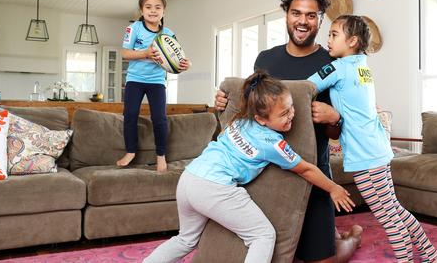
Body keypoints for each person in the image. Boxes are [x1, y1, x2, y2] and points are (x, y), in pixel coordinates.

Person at [215, 0, 362, 263]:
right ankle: (331, 235)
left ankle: (351, 239)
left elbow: (339, 129)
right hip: (268, 171)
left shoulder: (331, 61)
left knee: (323, 260)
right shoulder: (266, 59)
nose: (302, 21)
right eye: (296, 13)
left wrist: (335, 117)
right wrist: (223, 102)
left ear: (320, 20)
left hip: (314, 170)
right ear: (286, 15)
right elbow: (251, 110)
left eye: (311, 15)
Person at [144, 71, 355, 263]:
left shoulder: (239, 120)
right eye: (283, 114)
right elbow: (306, 169)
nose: (291, 115)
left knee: (185, 240)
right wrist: (333, 188)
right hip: (214, 186)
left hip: (189, 179)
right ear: (261, 119)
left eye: (291, 107)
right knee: (262, 235)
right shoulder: (272, 144)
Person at [307, 15, 437, 263]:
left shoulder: (338, 67)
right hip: (377, 148)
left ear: (352, 41)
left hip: (365, 155)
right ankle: (431, 255)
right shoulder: (362, 66)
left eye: (334, 34)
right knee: (394, 209)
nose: (328, 39)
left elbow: (306, 87)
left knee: (388, 217)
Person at [116, 0, 191, 173]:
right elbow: (124, 53)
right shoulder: (133, 28)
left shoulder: (169, 34)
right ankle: (131, 151)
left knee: (160, 118)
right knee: (130, 114)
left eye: (158, 7)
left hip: (157, 81)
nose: (153, 11)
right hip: (135, 79)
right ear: (142, 11)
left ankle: (161, 156)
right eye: (148, 7)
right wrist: (145, 53)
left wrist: (186, 64)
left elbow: (177, 60)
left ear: (163, 12)